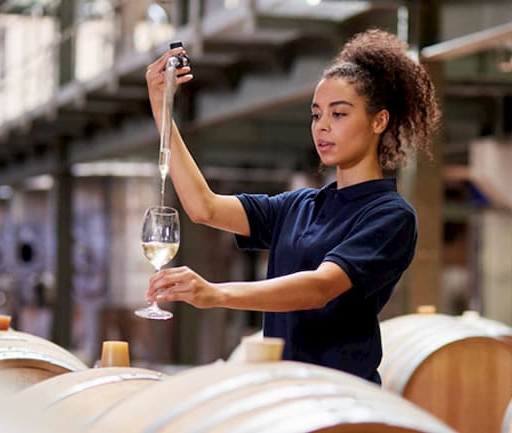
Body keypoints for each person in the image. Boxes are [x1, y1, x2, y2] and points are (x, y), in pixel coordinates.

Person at [144, 28, 440, 384]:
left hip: (341, 399)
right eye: (317, 115)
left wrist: (214, 293)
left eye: (339, 114)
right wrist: (163, 109)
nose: (323, 127)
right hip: (284, 396)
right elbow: (202, 207)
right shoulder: (300, 206)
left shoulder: (390, 216)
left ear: (379, 121)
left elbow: (319, 289)